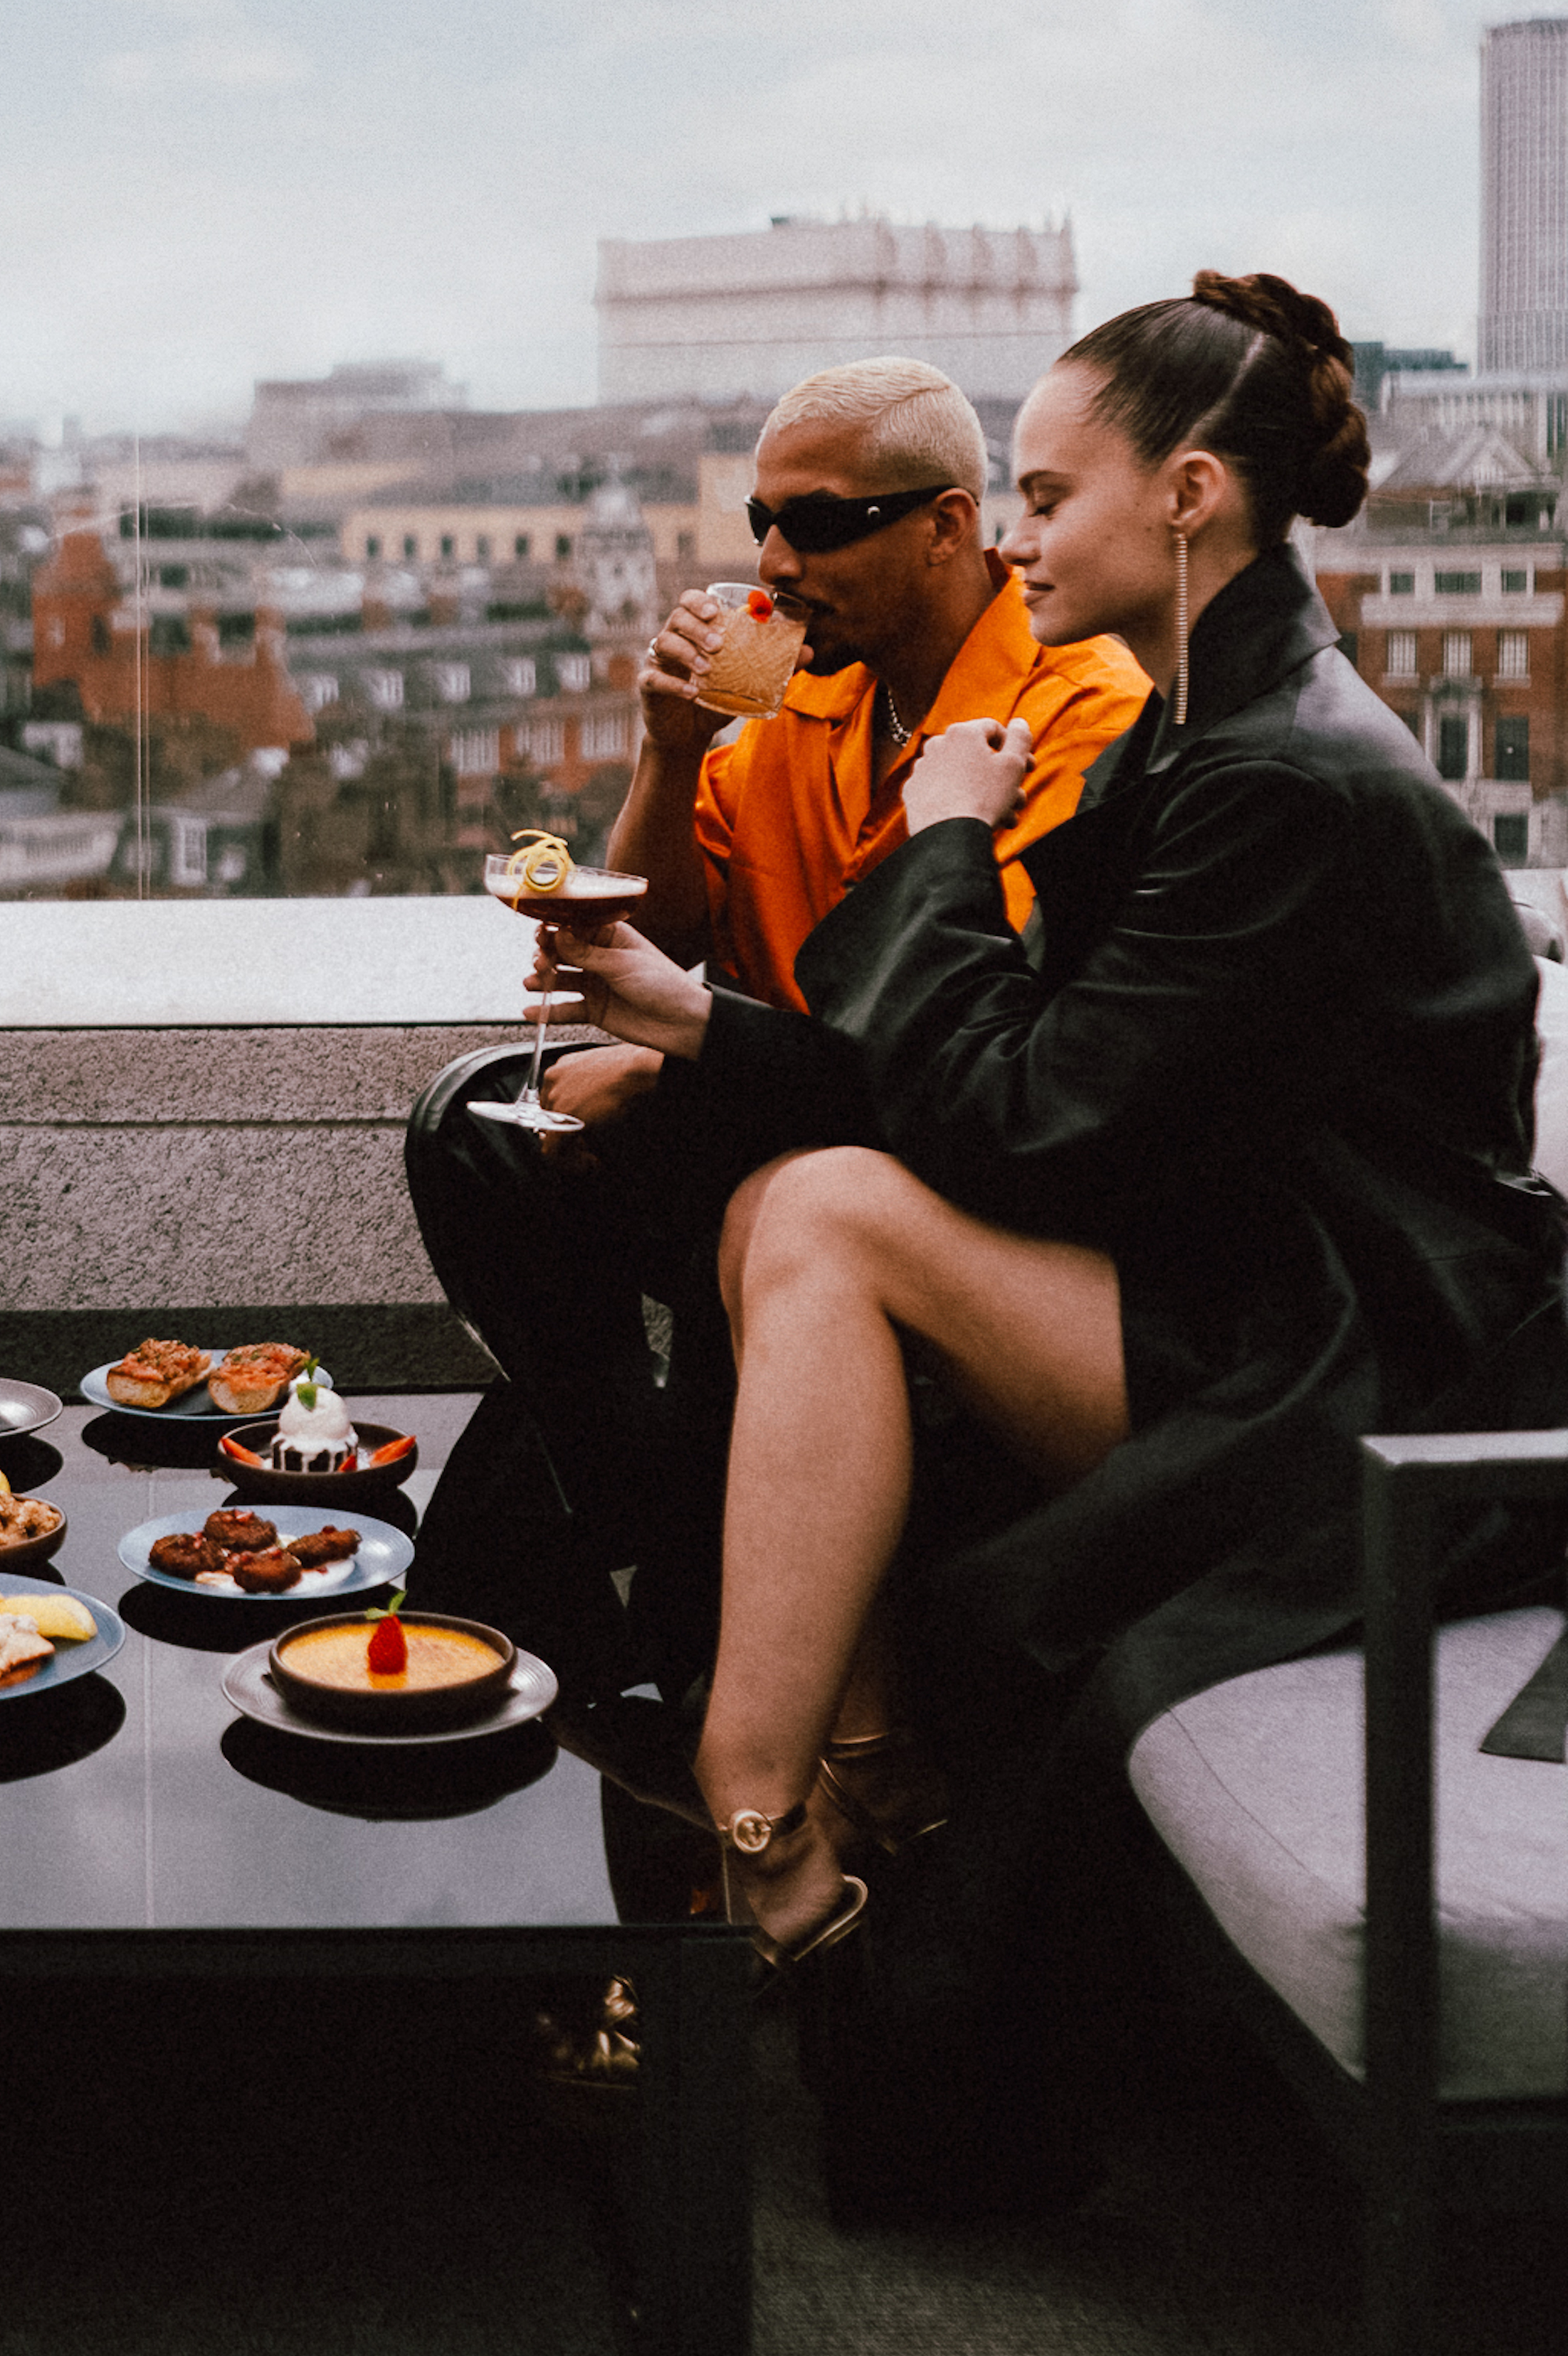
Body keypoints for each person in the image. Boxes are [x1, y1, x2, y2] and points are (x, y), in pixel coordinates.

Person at [542, 276, 1567, 2196]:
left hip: (1377, 1360)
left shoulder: (1264, 767)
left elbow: (1019, 1118)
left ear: (1186, 496)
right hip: (1277, 1284)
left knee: (819, 1214)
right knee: (785, 1200)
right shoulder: (1227, 716)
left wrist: (938, 839)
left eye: (1041, 492)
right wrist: (698, 1025)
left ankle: (753, 1832)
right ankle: (819, 1787)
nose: (1012, 536)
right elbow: (1038, 1091)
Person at [404, 359, 1147, 1702]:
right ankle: (640, 1503)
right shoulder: (790, 672)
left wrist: (692, 1053)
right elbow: (668, 932)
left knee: (648, 1174)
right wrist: (669, 749)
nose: (774, 559)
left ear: (946, 525)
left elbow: (980, 1045)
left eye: (817, 522)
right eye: (761, 519)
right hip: (782, 1088)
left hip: (945, 1145)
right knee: (480, 1124)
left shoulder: (1071, 703)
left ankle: (652, 1559)